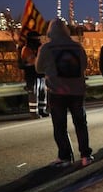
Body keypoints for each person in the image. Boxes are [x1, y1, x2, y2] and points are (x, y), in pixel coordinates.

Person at [35, 19, 94, 167]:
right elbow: (84, 65)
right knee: (81, 123)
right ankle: (86, 155)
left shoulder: (46, 48)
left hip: (57, 91)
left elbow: (38, 68)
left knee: (60, 125)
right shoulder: (77, 47)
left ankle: (65, 156)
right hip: (76, 91)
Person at [21, 31, 48, 119]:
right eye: (37, 39)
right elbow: (32, 61)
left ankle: (42, 110)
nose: (39, 41)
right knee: (33, 93)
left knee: (42, 93)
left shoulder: (38, 49)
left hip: (40, 74)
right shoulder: (26, 49)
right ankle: (33, 113)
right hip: (31, 75)